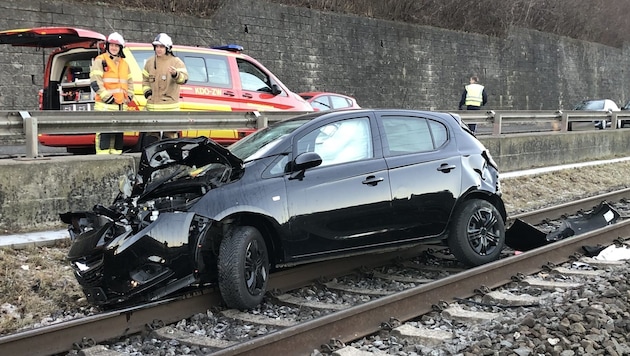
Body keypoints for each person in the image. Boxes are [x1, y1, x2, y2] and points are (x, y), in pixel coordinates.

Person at [90, 32, 133, 154]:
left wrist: (129, 96)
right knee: (104, 135)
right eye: (112, 45)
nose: (114, 48)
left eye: (116, 46)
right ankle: (103, 162)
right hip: (105, 105)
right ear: (108, 46)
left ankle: (117, 161)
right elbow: (95, 82)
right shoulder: (101, 60)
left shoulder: (124, 64)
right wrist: (107, 97)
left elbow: (130, 82)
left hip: (120, 106)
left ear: (120, 48)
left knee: (118, 137)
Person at [142, 33, 188, 141]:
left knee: (170, 139)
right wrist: (148, 93)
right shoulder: (149, 62)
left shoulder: (176, 62)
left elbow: (184, 79)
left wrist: (175, 74)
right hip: (152, 107)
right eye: (157, 47)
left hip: (170, 108)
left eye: (161, 47)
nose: (158, 49)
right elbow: (145, 79)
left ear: (167, 48)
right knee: (151, 139)